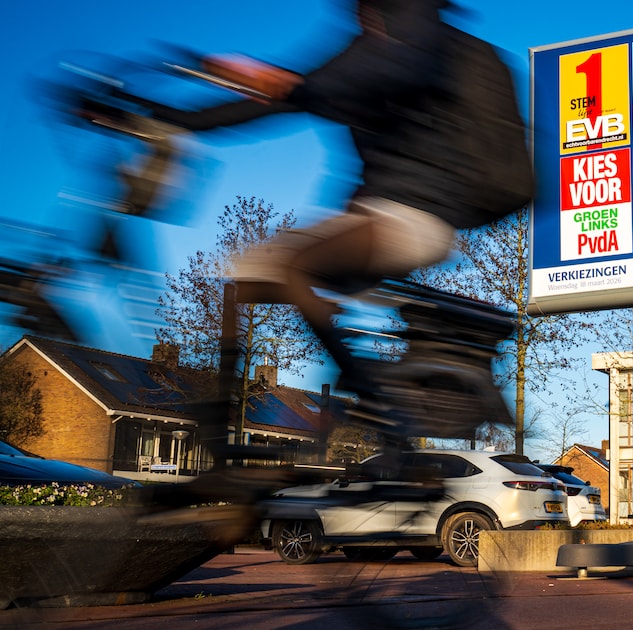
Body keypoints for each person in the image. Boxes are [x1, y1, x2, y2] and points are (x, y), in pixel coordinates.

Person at [148, 0, 522, 414]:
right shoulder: (367, 49)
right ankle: (221, 433)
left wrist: (290, 83)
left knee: (295, 265)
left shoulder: (420, 33)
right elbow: (280, 100)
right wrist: (164, 116)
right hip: (371, 218)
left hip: (418, 218)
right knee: (245, 274)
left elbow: (392, 70)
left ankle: (368, 390)